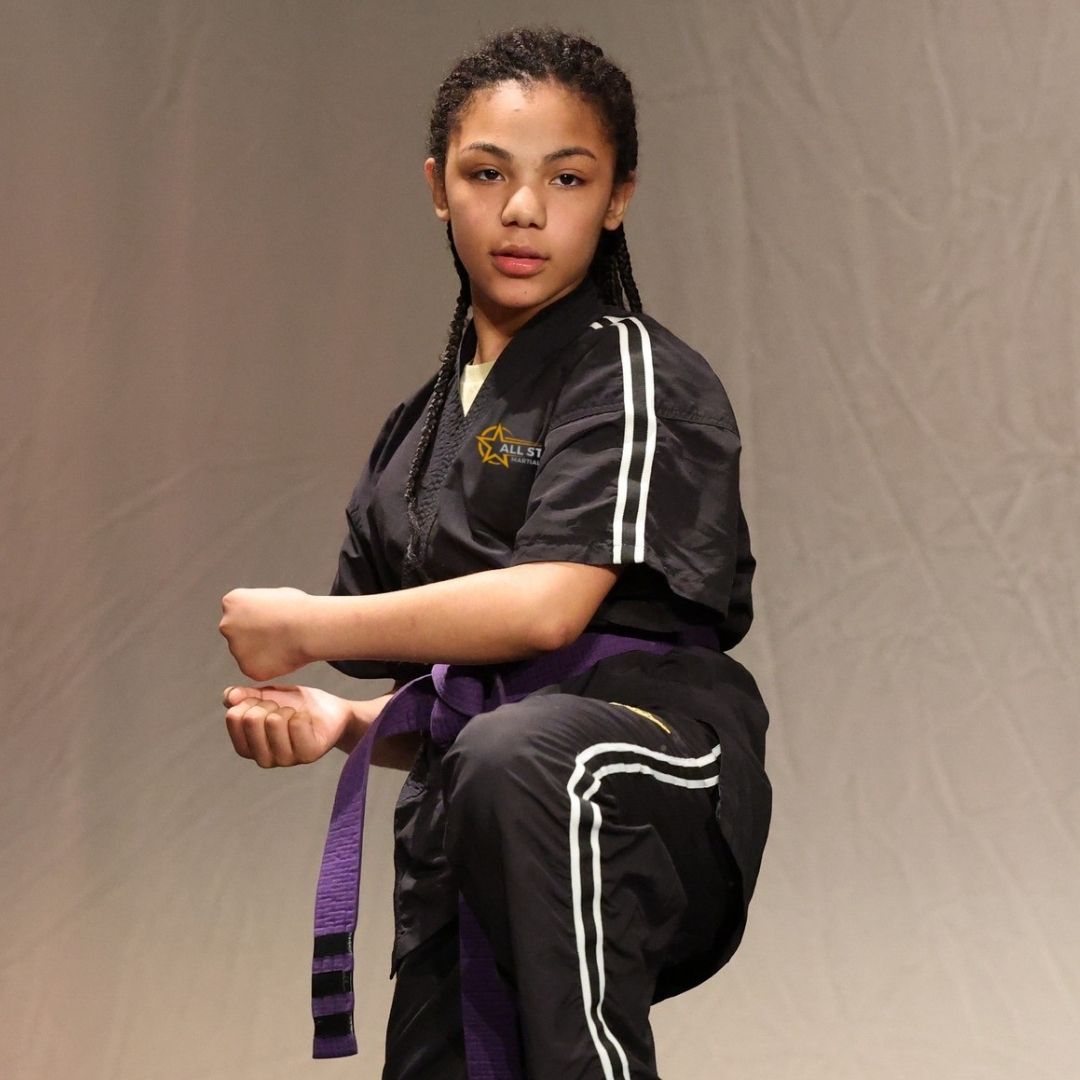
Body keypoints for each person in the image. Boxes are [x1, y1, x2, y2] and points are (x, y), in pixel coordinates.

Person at [219, 26, 771, 1080]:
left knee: (520, 759)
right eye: (488, 173)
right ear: (439, 186)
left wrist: (300, 626)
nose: (523, 210)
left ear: (618, 197)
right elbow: (458, 698)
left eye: (567, 177)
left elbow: (546, 614)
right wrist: (343, 722)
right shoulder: (415, 432)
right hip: (483, 805)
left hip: (644, 769)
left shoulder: (633, 368)